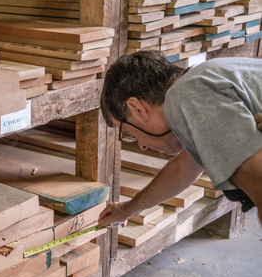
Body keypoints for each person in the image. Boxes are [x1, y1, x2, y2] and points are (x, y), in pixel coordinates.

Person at [97, 50, 262, 227]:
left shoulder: (188, 97)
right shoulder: (198, 85)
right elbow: (181, 170)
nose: (142, 145)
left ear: (137, 108)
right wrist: (128, 209)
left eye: (129, 133)